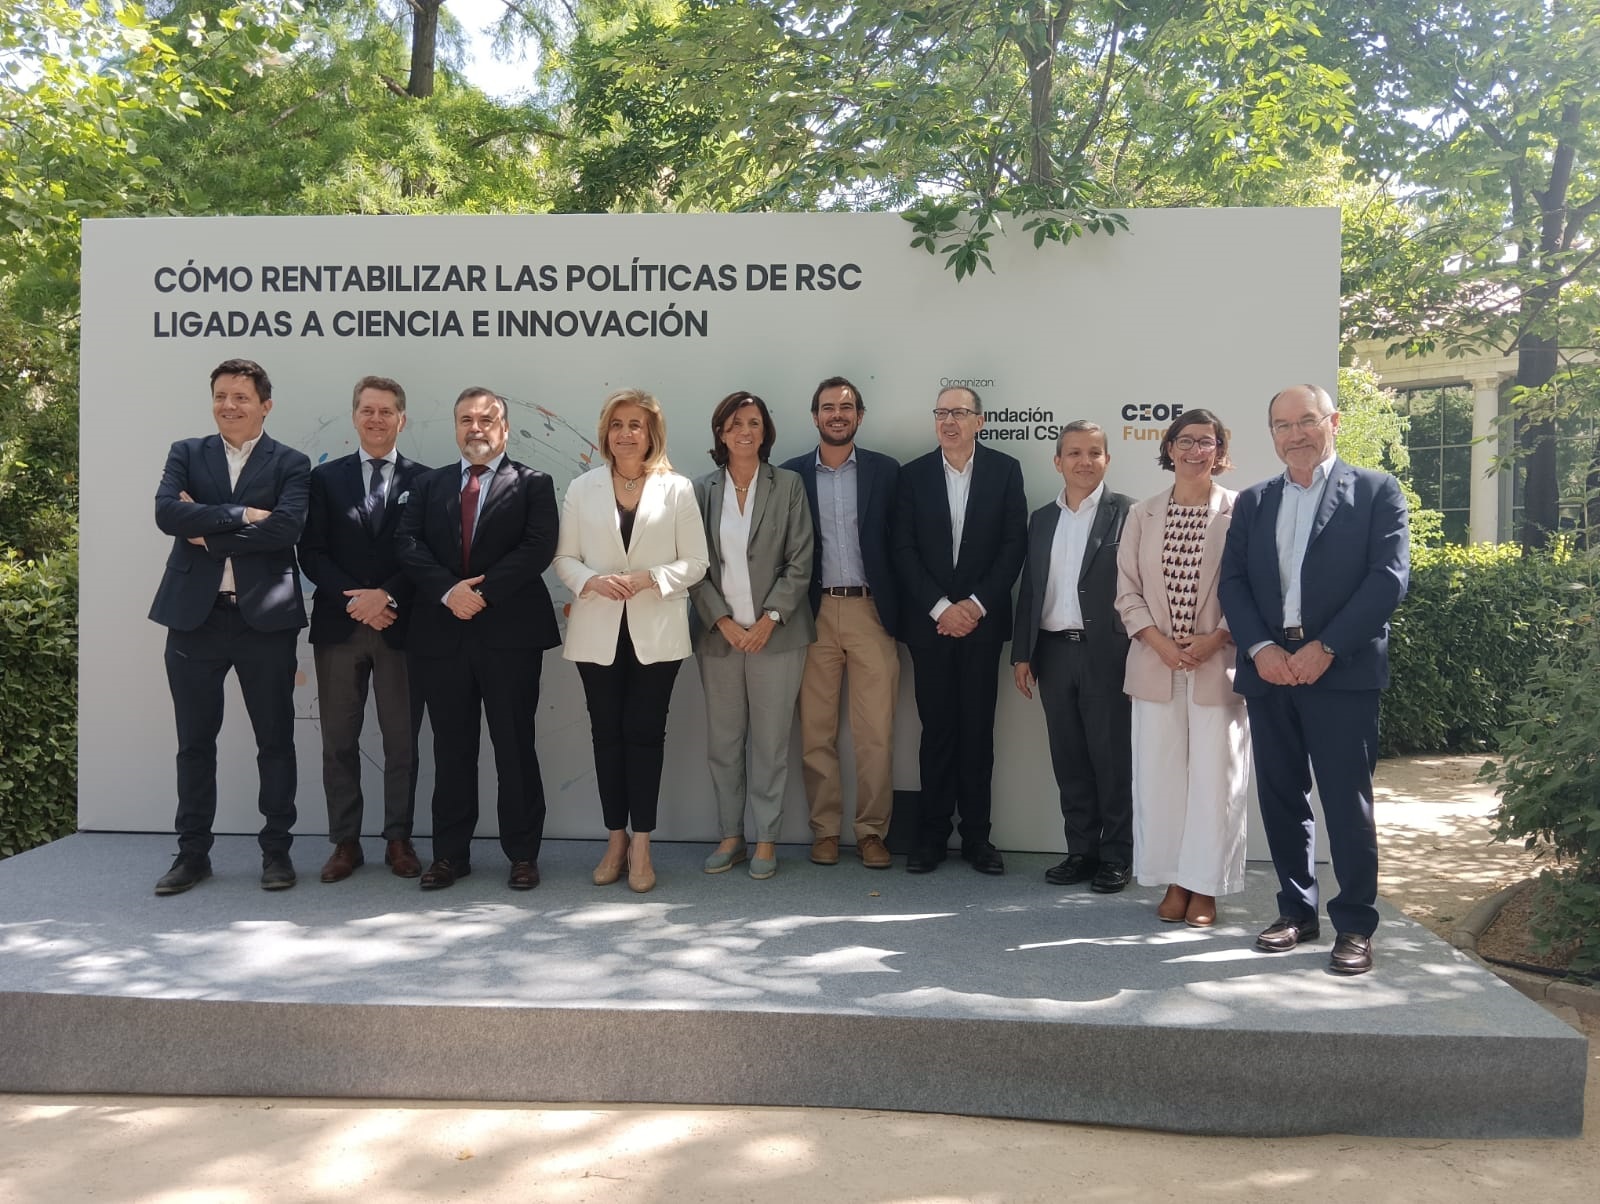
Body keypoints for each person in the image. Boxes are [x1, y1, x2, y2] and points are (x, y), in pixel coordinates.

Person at [1218, 383, 1409, 976]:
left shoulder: (1377, 490)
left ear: (1333, 422)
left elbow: (1387, 579)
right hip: (1270, 670)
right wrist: (1261, 648)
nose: (1295, 434)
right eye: (1282, 425)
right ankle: (1296, 911)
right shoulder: (1254, 501)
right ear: (1271, 434)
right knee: (1280, 797)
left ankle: (1354, 923)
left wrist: (1326, 647)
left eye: (1306, 421)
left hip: (1341, 671)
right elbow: (1234, 585)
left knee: (1346, 804)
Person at [149, 358, 310, 895]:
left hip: (264, 619)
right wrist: (245, 516)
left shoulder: (291, 462)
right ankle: (192, 854)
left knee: (275, 741)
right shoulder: (186, 453)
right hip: (195, 620)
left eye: (240, 397)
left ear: (265, 405)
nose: (228, 406)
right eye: (220, 395)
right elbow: (168, 514)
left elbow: (286, 528)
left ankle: (276, 854)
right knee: (195, 743)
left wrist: (209, 527)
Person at [396, 386, 560, 891]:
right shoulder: (429, 485)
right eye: (466, 418)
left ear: (505, 428)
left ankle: (523, 854)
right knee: (451, 749)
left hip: (509, 635)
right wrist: (449, 592)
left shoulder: (533, 483)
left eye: (487, 419)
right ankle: (449, 855)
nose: (476, 427)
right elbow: (407, 543)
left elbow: (538, 547)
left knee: (514, 746)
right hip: (441, 635)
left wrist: (481, 594)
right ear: (455, 427)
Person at [554, 388, 709, 894]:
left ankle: (643, 843)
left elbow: (696, 563)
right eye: (617, 424)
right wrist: (592, 581)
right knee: (607, 738)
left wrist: (649, 579)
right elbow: (564, 560)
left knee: (645, 736)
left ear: (651, 433)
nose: (625, 433)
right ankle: (615, 839)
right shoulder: (582, 487)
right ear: (606, 432)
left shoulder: (678, 489)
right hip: (597, 629)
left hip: (656, 633)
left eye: (636, 425)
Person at [1114, 409, 1249, 926]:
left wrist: (1217, 638)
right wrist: (1160, 644)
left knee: (1217, 778)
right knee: (1160, 776)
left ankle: (1206, 886)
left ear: (1220, 451)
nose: (1196, 450)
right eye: (1185, 441)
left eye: (1207, 442)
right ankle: (1174, 878)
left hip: (1219, 663)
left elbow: (1255, 587)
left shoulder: (1242, 511)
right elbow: (1126, 591)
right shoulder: (1142, 514)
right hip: (1156, 663)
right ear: (1168, 448)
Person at [297, 375, 431, 883]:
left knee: (402, 741)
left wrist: (387, 596)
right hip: (340, 625)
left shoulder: (424, 480)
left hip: (401, 626)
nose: (377, 419)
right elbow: (311, 552)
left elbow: (425, 552)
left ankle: (399, 838)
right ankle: (345, 843)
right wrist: (356, 601)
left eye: (387, 411)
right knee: (339, 741)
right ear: (355, 415)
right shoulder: (324, 479)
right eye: (368, 410)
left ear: (402, 419)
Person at [893, 386, 1027, 875]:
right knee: (937, 732)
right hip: (931, 628)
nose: (949, 421)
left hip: (982, 625)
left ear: (980, 420)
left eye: (959, 413)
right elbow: (902, 549)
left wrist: (973, 605)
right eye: (942, 413)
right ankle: (931, 836)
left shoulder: (1004, 470)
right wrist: (940, 608)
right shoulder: (912, 475)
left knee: (977, 732)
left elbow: (1014, 544)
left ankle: (977, 838)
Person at [691, 390, 817, 880]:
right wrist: (722, 620)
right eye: (735, 424)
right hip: (719, 637)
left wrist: (769, 620)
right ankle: (730, 836)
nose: (745, 431)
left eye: (754, 423)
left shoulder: (787, 485)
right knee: (724, 743)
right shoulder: (701, 490)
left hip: (777, 637)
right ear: (720, 433)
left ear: (766, 432)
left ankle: (766, 838)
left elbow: (800, 560)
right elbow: (694, 564)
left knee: (770, 744)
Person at [780, 376, 901, 870]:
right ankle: (825, 831)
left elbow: (903, 544)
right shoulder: (790, 476)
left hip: (872, 611)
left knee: (876, 732)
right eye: (828, 407)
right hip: (811, 615)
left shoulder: (887, 472)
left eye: (846, 407)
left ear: (859, 416)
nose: (837, 414)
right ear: (814, 417)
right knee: (816, 732)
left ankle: (872, 832)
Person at [1011, 421, 1136, 892]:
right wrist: (1023, 654)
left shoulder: (1128, 513)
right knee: (1069, 759)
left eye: (1095, 453)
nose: (1085, 461)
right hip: (1053, 653)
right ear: (1057, 461)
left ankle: (1116, 856)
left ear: (1107, 460)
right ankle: (1080, 852)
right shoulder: (1042, 519)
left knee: (1111, 759)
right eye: (1075, 453)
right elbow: (1031, 591)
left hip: (1106, 655)